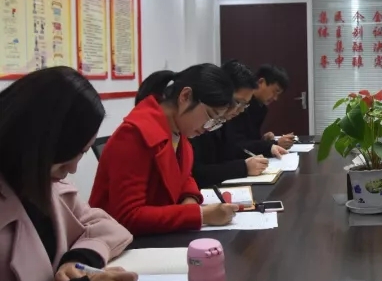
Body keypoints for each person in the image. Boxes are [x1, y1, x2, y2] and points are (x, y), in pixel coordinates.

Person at [0, 67, 136, 281]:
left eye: (82, 153)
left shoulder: (41, 183)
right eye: (67, 157)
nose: (73, 169)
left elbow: (103, 225)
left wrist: (78, 261)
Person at [89, 64, 240, 236]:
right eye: (210, 116)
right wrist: (201, 215)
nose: (208, 127)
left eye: (216, 122)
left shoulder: (178, 129)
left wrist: (189, 198)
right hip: (119, 241)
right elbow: (128, 216)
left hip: (157, 235)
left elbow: (184, 174)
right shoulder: (134, 134)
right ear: (185, 96)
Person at [191, 60, 288, 189]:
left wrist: (263, 148)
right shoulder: (200, 121)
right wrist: (243, 167)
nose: (240, 110)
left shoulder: (224, 120)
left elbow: (232, 150)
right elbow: (196, 173)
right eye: (238, 102)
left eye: (245, 105)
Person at [225, 64, 294, 151]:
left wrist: (263, 140)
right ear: (261, 82)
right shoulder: (237, 107)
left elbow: (248, 140)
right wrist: (272, 145)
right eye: (274, 91)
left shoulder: (261, 108)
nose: (275, 98)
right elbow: (237, 145)